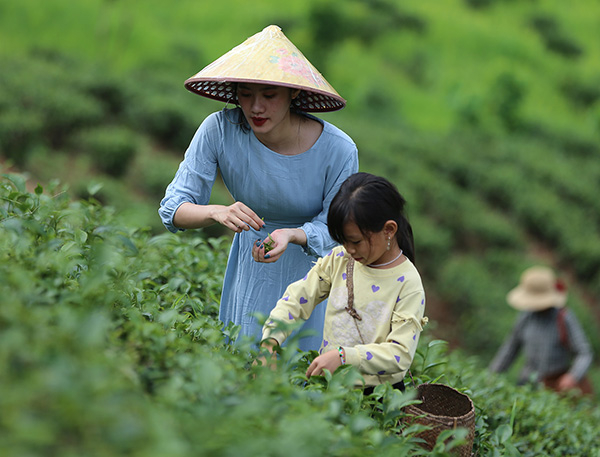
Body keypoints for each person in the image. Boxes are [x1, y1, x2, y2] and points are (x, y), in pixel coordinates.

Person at [159, 25, 359, 350]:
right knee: (243, 361)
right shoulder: (219, 131)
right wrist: (216, 211)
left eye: (268, 95)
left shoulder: (338, 149)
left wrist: (294, 234)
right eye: (246, 94)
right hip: (251, 269)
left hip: (309, 275)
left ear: (293, 93)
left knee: (299, 374)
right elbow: (173, 209)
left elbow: (338, 229)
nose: (255, 108)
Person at [260, 172, 428, 393]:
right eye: (344, 241)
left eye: (356, 241)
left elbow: (400, 355)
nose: (349, 249)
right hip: (329, 386)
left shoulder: (407, 283)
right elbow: (297, 299)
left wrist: (344, 357)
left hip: (377, 397)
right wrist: (270, 342)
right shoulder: (341, 260)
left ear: (388, 230)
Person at [489, 266, 594, 395]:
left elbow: (584, 353)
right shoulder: (525, 317)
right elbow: (509, 349)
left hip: (556, 385)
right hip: (527, 382)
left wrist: (572, 376)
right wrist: (491, 376)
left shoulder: (563, 317)